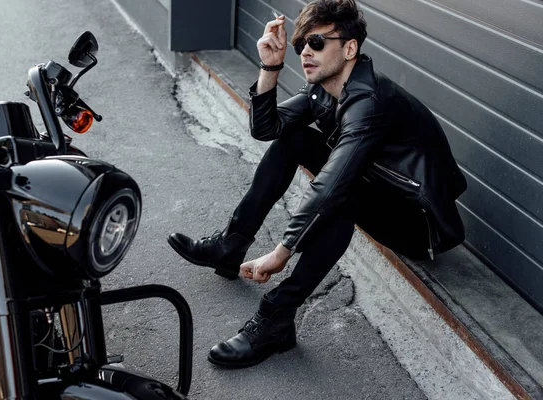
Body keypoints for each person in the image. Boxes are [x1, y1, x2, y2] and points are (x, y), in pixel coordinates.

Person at [168, 0, 467, 368]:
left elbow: (330, 185)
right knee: (292, 140)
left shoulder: (369, 103)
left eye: (317, 43)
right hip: (375, 188)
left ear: (350, 47)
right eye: (300, 46)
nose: (306, 52)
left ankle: (277, 314)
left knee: (344, 191)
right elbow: (267, 129)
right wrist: (270, 67)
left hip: (418, 223)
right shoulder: (326, 88)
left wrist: (281, 252)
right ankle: (232, 245)